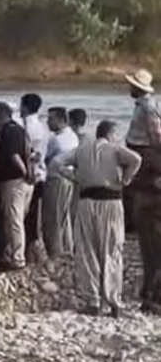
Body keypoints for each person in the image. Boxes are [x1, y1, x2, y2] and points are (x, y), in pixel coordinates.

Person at [56, 119, 140, 316]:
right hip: (111, 201)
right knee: (111, 250)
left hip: (86, 201)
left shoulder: (82, 149)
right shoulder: (114, 149)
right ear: (111, 134)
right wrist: (126, 179)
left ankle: (92, 300)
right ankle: (113, 300)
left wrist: (74, 177)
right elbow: (136, 159)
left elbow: (57, 162)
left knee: (87, 251)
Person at [124, 69, 161, 311]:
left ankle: (152, 291)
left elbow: (157, 135)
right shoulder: (141, 106)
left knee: (151, 241)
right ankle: (150, 289)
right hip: (143, 158)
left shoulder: (148, 107)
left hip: (146, 159)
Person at [0, 101, 32, 270]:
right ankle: (12, 253)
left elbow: (14, 155)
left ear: (3, 114)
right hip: (23, 182)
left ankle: (17, 258)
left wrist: (24, 172)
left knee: (14, 220)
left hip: (14, 181)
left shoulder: (8, 132)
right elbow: (29, 152)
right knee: (17, 219)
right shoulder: (20, 129)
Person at [41, 107, 78, 259]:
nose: (48, 122)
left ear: (61, 120)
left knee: (53, 218)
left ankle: (55, 253)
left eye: (51, 119)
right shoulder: (72, 135)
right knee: (64, 216)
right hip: (69, 178)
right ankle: (67, 248)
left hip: (56, 178)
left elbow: (46, 158)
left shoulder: (56, 140)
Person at [21, 93, 50, 255]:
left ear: (24, 107)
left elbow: (30, 154)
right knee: (33, 216)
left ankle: (29, 251)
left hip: (31, 176)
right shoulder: (42, 127)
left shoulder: (27, 127)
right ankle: (31, 250)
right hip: (40, 174)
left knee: (28, 217)